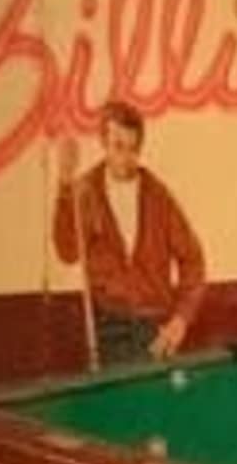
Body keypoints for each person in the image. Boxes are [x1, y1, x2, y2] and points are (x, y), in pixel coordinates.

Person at [49, 101, 206, 367]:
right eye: (118, 146)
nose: (126, 158)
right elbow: (67, 252)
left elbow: (193, 261)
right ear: (104, 142)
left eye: (133, 149)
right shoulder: (86, 191)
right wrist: (64, 183)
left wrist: (180, 320)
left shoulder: (158, 196)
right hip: (108, 328)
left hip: (153, 324)